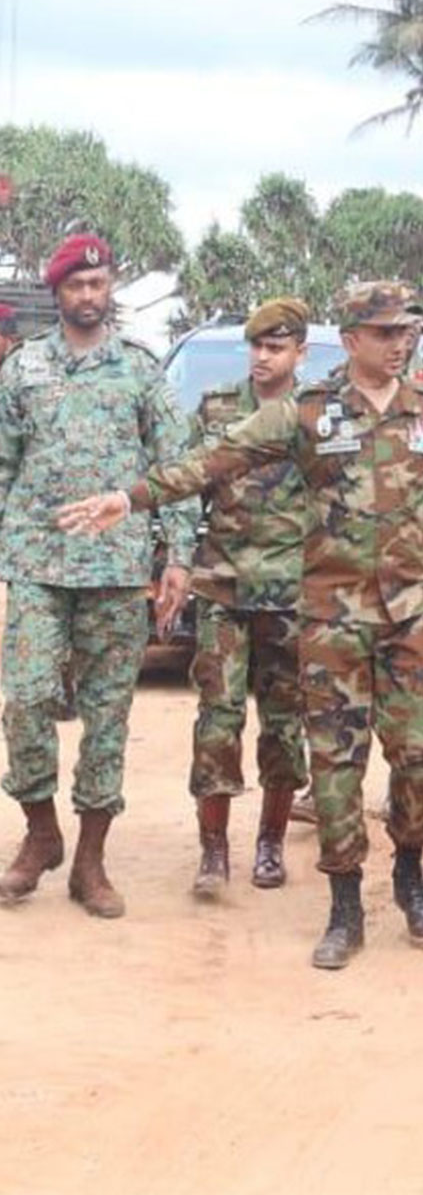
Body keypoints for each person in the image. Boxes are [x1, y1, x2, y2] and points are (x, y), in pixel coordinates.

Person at [59, 281, 423, 969]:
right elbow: (214, 459)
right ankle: (344, 905)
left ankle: (410, 873)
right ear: (350, 340)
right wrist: (130, 498)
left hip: (412, 619)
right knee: (335, 762)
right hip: (332, 619)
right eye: (385, 332)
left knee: (419, 757)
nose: (399, 342)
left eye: (406, 331)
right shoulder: (308, 412)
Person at [0, 234, 198, 918]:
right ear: (56, 292)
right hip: (37, 564)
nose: (89, 295)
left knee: (108, 716)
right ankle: (41, 832)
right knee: (26, 701)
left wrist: (177, 557)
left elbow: (176, 468)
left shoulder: (140, 370)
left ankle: (90, 860)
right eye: (76, 285)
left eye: (99, 282)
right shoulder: (23, 369)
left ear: (110, 286)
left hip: (117, 569)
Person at [186, 298, 314, 897]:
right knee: (218, 717)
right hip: (223, 586)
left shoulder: (316, 416)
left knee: (284, 724)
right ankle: (213, 849)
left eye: (276, 347)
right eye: (257, 346)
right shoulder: (217, 408)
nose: (263, 357)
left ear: (299, 354)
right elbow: (190, 482)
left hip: (291, 593)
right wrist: (176, 562)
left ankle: (270, 842)